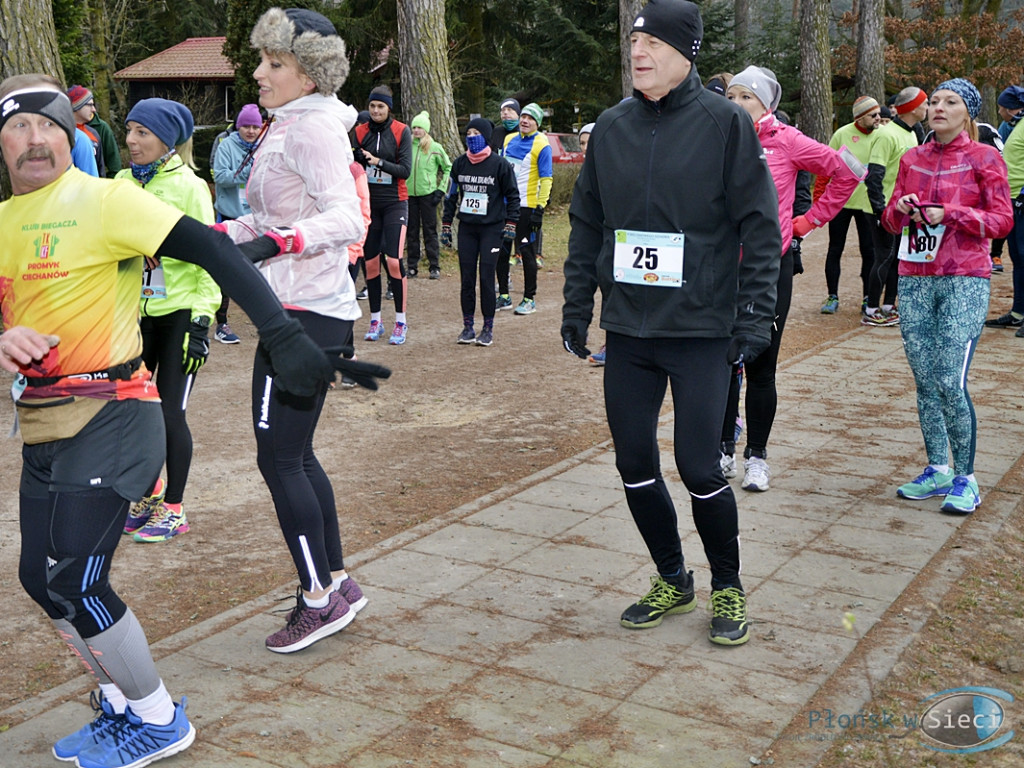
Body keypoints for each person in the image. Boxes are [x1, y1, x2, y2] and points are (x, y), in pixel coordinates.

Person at [0, 73, 379, 768]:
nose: (34, 140)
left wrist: (282, 333)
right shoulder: (3, 224)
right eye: (18, 127)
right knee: (37, 578)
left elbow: (213, 248)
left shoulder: (108, 199)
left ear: (71, 135)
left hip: (115, 419)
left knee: (78, 580)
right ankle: (119, 701)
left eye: (48, 126)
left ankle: (158, 717)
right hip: (44, 426)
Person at [561, 0, 781, 646]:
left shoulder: (724, 125)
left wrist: (755, 315)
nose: (639, 52)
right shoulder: (613, 126)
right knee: (633, 461)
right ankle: (671, 577)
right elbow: (587, 223)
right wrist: (578, 305)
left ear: (687, 52)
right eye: (635, 41)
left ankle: (729, 587)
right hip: (629, 329)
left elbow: (760, 228)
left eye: (654, 42)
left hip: (701, 329)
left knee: (699, 465)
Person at [224, 6, 374, 652]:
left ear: (309, 75)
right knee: (296, 454)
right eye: (262, 60)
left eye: (275, 63)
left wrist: (286, 238)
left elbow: (347, 220)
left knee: (279, 457)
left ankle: (317, 598)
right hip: (297, 311)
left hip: (307, 315)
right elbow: (262, 221)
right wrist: (211, 237)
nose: (260, 73)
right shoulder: (292, 126)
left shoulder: (313, 131)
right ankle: (336, 581)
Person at [722, 66, 860, 492]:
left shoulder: (788, 140)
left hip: (768, 268)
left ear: (767, 104)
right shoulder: (715, 137)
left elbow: (848, 171)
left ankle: (757, 457)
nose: (737, 105)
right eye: (730, 97)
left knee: (761, 365)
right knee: (721, 363)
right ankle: (722, 448)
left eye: (746, 97)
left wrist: (807, 222)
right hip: (720, 267)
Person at [883, 78, 1012, 513]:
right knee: (923, 380)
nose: (939, 107)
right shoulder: (911, 158)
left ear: (967, 113)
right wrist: (898, 210)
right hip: (915, 277)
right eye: (934, 101)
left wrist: (951, 213)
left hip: (965, 277)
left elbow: (1002, 221)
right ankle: (937, 468)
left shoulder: (985, 157)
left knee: (948, 380)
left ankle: (966, 478)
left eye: (950, 102)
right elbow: (888, 220)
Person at [116, 98, 221, 544]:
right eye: (129, 131)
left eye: (142, 133)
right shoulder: (120, 182)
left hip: (179, 313)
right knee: (132, 412)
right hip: (134, 316)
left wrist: (202, 320)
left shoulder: (190, 187)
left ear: (166, 140)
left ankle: (175, 508)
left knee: (170, 414)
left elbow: (212, 258)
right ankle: (148, 491)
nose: (130, 141)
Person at [441, 117, 520, 346]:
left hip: (492, 229)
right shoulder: (459, 164)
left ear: (486, 137)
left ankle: (487, 328)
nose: (472, 137)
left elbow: (513, 196)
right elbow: (451, 196)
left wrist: (511, 223)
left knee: (486, 278)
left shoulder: (499, 164)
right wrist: (446, 224)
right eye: (469, 133)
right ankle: (467, 327)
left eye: (477, 133)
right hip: (467, 229)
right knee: (467, 279)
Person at [863, 85, 928, 326]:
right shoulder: (885, 134)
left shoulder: (912, 132)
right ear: (912, 107)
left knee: (898, 258)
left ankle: (889, 305)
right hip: (885, 210)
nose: (928, 108)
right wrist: (880, 211)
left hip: (905, 208)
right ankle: (871, 310)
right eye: (925, 104)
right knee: (883, 258)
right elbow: (874, 176)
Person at [353, 84, 413, 344]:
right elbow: (351, 164)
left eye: (381, 106)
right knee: (371, 263)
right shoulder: (359, 132)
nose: (376, 111)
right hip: (368, 205)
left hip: (395, 203)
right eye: (372, 106)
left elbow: (405, 170)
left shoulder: (401, 131)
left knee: (394, 260)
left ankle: (400, 321)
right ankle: (375, 319)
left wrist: (377, 162)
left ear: (389, 108)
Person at [817, 95, 882, 315]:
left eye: (878, 114)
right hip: (841, 202)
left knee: (869, 250)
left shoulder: (882, 135)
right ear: (861, 117)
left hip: (867, 203)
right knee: (835, 248)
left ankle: (867, 297)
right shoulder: (842, 134)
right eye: (873, 115)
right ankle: (832, 295)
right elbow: (825, 167)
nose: (878, 118)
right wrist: (819, 200)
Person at [212, 102, 265, 343]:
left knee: (262, 270)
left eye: (256, 126)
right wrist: (247, 173)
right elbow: (220, 176)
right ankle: (221, 324)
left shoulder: (265, 146)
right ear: (238, 126)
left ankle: (267, 321)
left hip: (257, 216)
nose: (251, 131)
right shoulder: (226, 146)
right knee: (225, 271)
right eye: (247, 126)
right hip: (231, 215)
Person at [501, 102, 552, 315]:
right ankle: (503, 295)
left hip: (527, 207)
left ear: (537, 123)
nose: (524, 120)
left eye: (530, 118)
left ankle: (529, 298)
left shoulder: (542, 144)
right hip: (504, 206)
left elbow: (547, 178)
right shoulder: (508, 139)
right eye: (523, 116)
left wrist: (539, 209)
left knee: (526, 252)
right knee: (501, 251)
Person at [987, 86, 1024, 334]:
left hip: (1021, 200)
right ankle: (1018, 312)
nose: (999, 110)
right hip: (1010, 200)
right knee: (1018, 259)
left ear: (1011, 108)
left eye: (1001, 106)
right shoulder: (1015, 126)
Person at [406, 110, 451, 279]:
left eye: (420, 127)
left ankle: (434, 266)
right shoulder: (407, 145)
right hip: (409, 194)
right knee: (412, 231)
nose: (416, 130)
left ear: (426, 129)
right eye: (414, 127)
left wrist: (441, 190)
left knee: (429, 231)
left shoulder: (434, 147)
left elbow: (448, 167)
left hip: (429, 195)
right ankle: (412, 266)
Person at [68, 85, 105, 177]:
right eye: (90, 105)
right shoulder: (60, 134)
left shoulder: (94, 133)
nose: (94, 109)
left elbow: (101, 168)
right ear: (77, 106)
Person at [88, 107, 122, 178]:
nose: (93, 109)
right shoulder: (65, 127)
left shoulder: (102, 128)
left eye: (92, 104)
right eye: (89, 105)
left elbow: (114, 165)